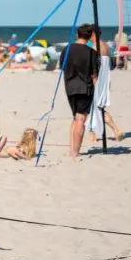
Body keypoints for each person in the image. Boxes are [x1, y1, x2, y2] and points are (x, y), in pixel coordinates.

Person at [58, 24, 99, 160]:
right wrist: (98, 92)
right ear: (89, 37)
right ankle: (75, 152)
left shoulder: (67, 49)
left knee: (76, 118)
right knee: (81, 119)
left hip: (69, 87)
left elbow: (62, 67)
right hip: (84, 87)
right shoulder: (91, 52)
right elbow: (94, 76)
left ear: (77, 35)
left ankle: (72, 149)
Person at [86, 26, 124, 143]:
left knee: (94, 108)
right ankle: (94, 134)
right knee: (97, 108)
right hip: (105, 79)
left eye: (89, 33)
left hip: (98, 80)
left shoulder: (96, 47)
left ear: (93, 33)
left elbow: (95, 67)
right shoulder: (106, 46)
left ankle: (115, 130)